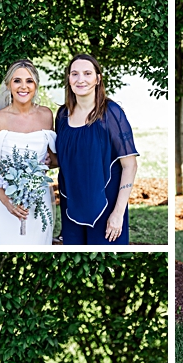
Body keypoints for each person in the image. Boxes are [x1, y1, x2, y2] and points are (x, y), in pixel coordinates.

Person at [55, 53, 137, 244]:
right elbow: (65, 159)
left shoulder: (111, 113)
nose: (80, 79)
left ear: (97, 78)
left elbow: (130, 166)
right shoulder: (62, 116)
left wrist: (118, 214)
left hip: (106, 207)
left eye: (87, 73)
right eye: (74, 74)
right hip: (71, 207)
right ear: (68, 79)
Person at [0, 60, 57, 244]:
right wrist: (7, 202)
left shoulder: (46, 115)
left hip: (37, 199)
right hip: (2, 201)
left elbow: (53, 160)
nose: (24, 87)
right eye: (17, 81)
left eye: (29, 81)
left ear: (36, 85)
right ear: (8, 85)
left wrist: (46, 164)